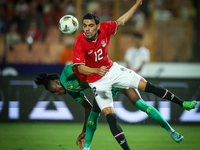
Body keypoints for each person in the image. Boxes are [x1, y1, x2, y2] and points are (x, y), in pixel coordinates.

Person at [72, 0, 197, 149]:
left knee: (147, 87)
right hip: (98, 81)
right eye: (84, 25)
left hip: (112, 70)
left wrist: (137, 4)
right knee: (109, 117)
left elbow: (121, 21)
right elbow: (79, 68)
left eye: (90, 25)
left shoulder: (105, 28)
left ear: (98, 26)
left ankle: (181, 104)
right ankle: (89, 148)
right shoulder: (79, 42)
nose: (86, 29)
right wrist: (95, 70)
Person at [35, 63, 196, 150]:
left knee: (141, 104)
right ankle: (87, 147)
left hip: (112, 77)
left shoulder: (66, 73)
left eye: (54, 91)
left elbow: (77, 65)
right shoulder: (71, 92)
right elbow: (87, 107)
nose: (56, 94)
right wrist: (84, 130)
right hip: (102, 88)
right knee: (95, 113)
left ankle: (171, 131)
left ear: (56, 83)